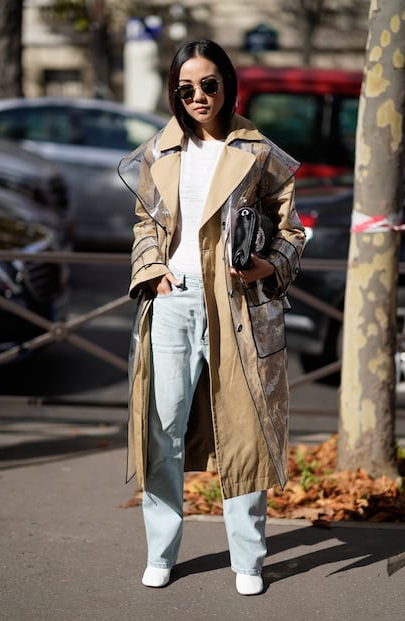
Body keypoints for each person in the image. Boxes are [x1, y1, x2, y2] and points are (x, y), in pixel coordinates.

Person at [118, 39, 306, 596]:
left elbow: (292, 229)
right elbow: (145, 223)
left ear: (227, 84)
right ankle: (161, 551)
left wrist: (266, 265)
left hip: (238, 307)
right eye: (185, 89)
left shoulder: (259, 150)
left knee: (244, 433)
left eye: (208, 85)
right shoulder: (162, 149)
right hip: (173, 303)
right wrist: (152, 269)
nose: (197, 97)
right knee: (162, 430)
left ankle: (248, 562)